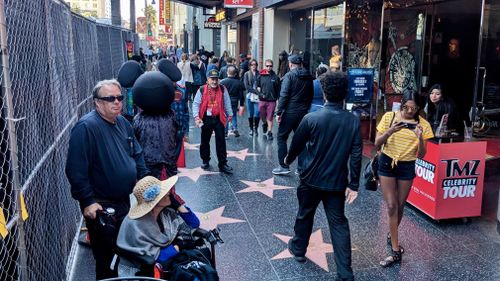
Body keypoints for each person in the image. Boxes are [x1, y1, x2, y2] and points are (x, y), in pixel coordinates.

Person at [65, 79, 150, 280]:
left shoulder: (123, 123)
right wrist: (87, 201)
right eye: (109, 98)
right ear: (97, 102)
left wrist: (144, 178)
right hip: (102, 207)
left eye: (119, 97)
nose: (117, 102)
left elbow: (136, 153)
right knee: (107, 262)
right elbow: (75, 169)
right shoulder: (86, 127)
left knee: (126, 255)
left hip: (124, 202)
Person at [284, 71, 361, 281]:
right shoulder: (353, 121)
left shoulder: (311, 118)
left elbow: (296, 144)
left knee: (304, 214)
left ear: (324, 93)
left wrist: (288, 160)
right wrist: (354, 184)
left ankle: (299, 249)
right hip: (336, 182)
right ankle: (345, 274)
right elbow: (356, 155)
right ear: (344, 94)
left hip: (310, 179)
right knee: (338, 224)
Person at [374, 91, 433, 267]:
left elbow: (422, 155)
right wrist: (390, 131)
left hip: (407, 166)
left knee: (400, 206)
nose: (408, 111)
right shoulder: (389, 116)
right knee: (391, 205)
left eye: (413, 108)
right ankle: (395, 250)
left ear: (419, 108)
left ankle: (392, 233)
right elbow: (377, 142)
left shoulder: (424, 125)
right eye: (406, 107)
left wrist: (420, 138)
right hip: (386, 163)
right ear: (401, 104)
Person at [116, 176, 200, 274]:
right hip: (140, 273)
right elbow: (156, 258)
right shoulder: (135, 224)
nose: (169, 192)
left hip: (166, 267)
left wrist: (179, 204)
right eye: (163, 193)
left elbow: (193, 224)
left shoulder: (166, 213)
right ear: (154, 202)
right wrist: (179, 245)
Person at [273, 54, 313, 175]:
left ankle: (283, 166)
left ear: (290, 64)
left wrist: (278, 112)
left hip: (290, 112)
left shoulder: (289, 76)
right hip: (303, 112)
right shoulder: (309, 76)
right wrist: (306, 108)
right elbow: (311, 95)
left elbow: (284, 95)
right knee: (301, 139)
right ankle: (302, 168)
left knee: (281, 137)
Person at [192, 69, 234, 174]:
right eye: (212, 79)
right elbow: (196, 104)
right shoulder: (201, 89)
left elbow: (227, 102)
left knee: (221, 141)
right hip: (206, 118)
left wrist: (230, 114)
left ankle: (222, 163)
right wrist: (197, 117)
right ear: (208, 79)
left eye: (216, 79)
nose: (214, 81)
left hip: (219, 117)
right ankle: (205, 160)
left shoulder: (223, 89)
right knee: (205, 140)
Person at [256, 59, 280, 140]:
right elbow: (257, 86)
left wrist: (278, 100)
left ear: (272, 66)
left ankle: (270, 132)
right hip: (262, 99)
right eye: (267, 66)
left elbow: (278, 90)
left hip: (272, 100)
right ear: (265, 66)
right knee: (261, 113)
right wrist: (260, 93)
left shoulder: (275, 77)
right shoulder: (261, 75)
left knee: (270, 116)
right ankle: (264, 123)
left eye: (270, 66)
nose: (269, 67)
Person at [220, 65, 246, 138]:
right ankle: (234, 128)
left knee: (225, 116)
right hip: (234, 101)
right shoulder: (239, 83)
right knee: (233, 115)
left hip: (225, 101)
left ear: (227, 73)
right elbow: (241, 95)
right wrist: (241, 104)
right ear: (235, 74)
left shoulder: (222, 82)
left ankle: (225, 132)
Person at [243, 59, 260, 136]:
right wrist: (256, 91)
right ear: (249, 66)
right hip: (249, 96)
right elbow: (247, 86)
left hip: (257, 97)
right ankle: (251, 129)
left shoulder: (259, 73)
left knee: (257, 113)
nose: (254, 66)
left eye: (255, 64)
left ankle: (256, 128)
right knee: (250, 113)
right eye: (252, 64)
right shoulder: (246, 74)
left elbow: (262, 84)